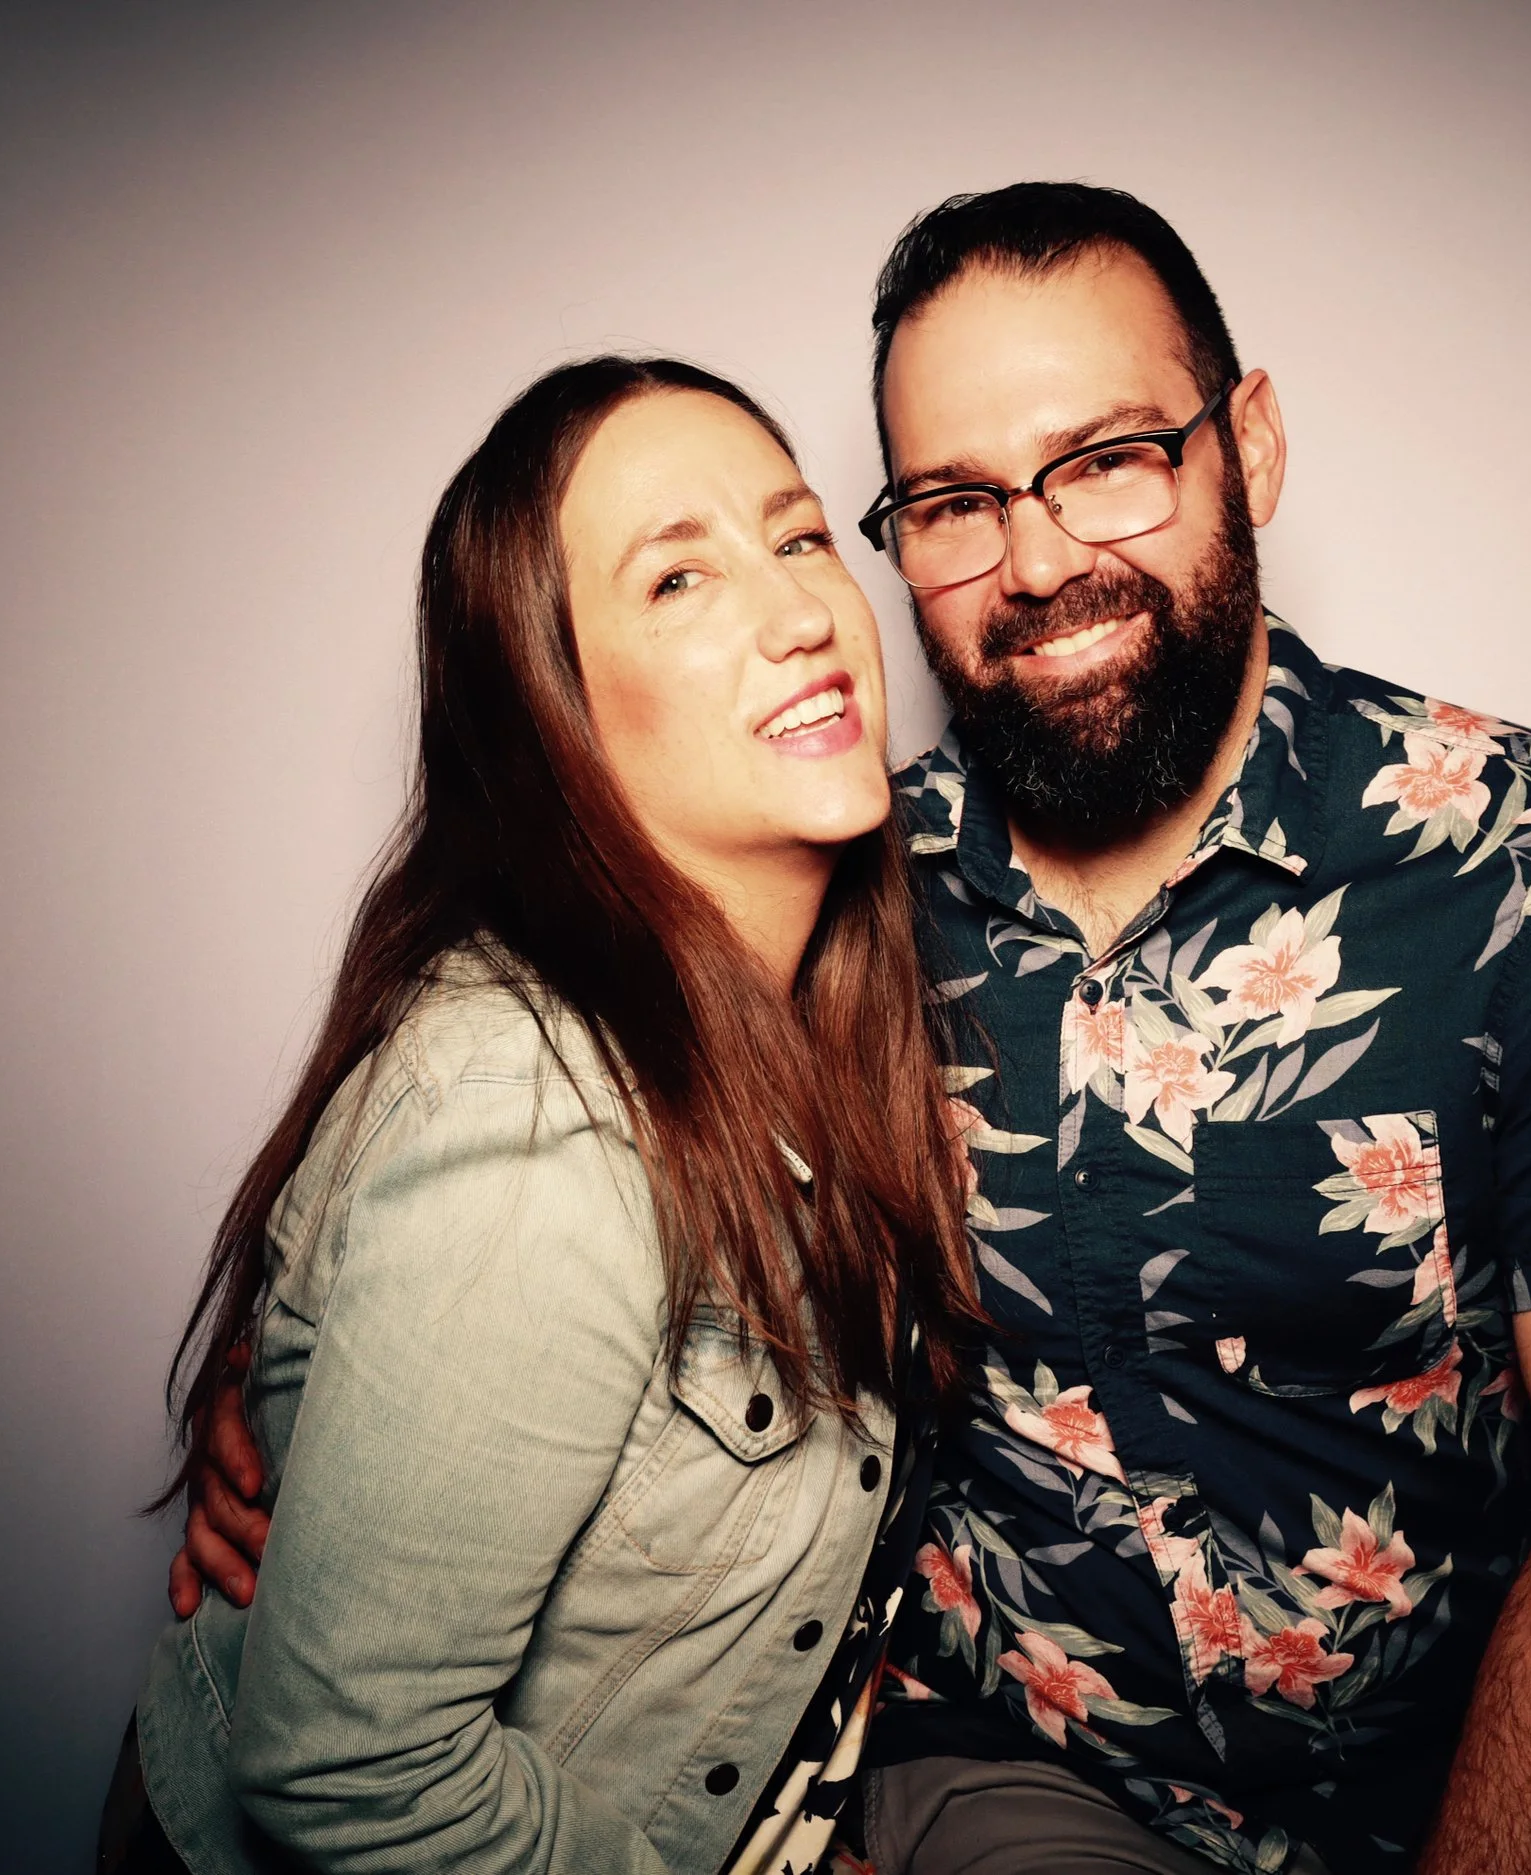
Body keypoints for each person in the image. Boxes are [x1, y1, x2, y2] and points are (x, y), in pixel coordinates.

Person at [181, 184, 1531, 1875]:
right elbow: (527, 1128)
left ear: (1247, 446)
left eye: (1107, 458)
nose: (1036, 562)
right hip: (1000, 1782)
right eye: (953, 502)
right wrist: (293, 1386)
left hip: (1440, 1806)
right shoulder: (846, 887)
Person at [106, 354, 985, 1875]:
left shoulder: (838, 1004)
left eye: (796, 537)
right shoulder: (536, 1130)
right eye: (679, 580)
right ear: (554, 706)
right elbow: (350, 1775)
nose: (798, 613)